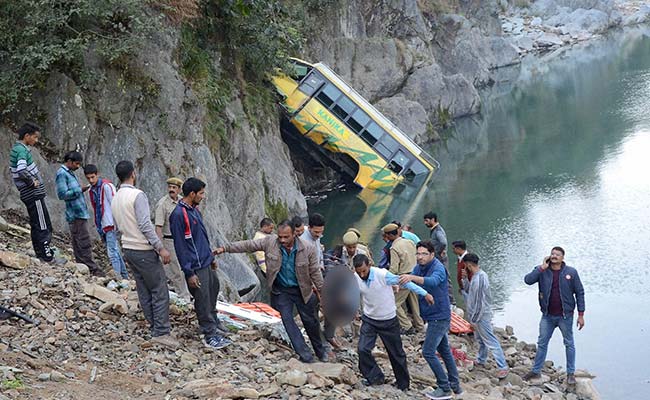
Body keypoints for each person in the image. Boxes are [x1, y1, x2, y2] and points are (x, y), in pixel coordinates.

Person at [215, 220, 327, 363]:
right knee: (287, 320)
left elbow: (315, 273)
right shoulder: (270, 242)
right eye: (280, 237)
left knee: (310, 321)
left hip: (302, 290)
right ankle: (305, 354)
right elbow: (248, 245)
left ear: (294, 234)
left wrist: (323, 293)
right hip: (281, 290)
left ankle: (320, 350)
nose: (282, 240)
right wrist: (225, 248)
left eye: (286, 237)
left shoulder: (308, 248)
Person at [111, 160, 178, 349]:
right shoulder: (137, 195)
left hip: (128, 247)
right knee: (159, 289)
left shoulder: (116, 197)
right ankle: (161, 332)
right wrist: (160, 247)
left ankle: (153, 325)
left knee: (143, 288)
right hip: (142, 248)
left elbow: (116, 225)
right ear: (133, 173)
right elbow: (145, 224)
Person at [353, 254, 434, 391]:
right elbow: (353, 293)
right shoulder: (356, 277)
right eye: (359, 272)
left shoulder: (382, 275)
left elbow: (405, 282)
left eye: (364, 271)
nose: (362, 274)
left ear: (369, 266)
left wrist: (424, 293)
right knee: (362, 349)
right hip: (370, 319)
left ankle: (403, 384)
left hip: (388, 320)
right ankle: (375, 378)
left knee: (396, 353)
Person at [169, 178, 231, 350]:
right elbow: (180, 246)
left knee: (213, 289)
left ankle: (214, 321)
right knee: (202, 298)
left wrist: (210, 258)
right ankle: (209, 333)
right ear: (192, 194)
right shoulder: (179, 215)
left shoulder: (194, 211)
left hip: (205, 261)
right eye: (201, 193)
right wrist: (189, 272)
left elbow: (202, 238)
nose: (203, 197)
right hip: (195, 265)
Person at [399, 240, 462, 399]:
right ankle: (455, 384)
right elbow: (412, 282)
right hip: (430, 314)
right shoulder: (419, 267)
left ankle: (444, 387)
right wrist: (398, 284)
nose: (420, 257)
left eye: (424, 254)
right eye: (418, 254)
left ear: (432, 255)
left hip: (439, 316)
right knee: (444, 350)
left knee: (428, 352)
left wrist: (411, 277)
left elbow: (433, 281)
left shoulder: (438, 268)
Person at [523, 247, 585, 385]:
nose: (554, 256)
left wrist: (581, 315)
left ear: (563, 258)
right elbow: (527, 280)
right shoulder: (542, 271)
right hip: (547, 316)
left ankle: (570, 373)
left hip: (565, 316)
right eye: (552, 254)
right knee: (542, 343)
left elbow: (580, 292)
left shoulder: (571, 272)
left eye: (557, 254)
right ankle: (536, 371)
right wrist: (541, 268)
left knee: (569, 344)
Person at [9, 123, 54, 262]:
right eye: (35, 137)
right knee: (43, 224)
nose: (36, 140)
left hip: (29, 194)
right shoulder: (21, 151)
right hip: (33, 194)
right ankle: (46, 255)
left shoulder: (17, 149)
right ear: (27, 136)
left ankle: (40, 252)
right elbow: (21, 169)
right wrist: (31, 182)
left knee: (36, 223)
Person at [461, 253, 509, 378]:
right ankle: (481, 359)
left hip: (481, 315)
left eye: (466, 265)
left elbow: (479, 303)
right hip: (476, 314)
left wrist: (474, 320)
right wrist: (465, 279)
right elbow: (468, 291)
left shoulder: (480, 279)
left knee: (490, 340)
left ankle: (502, 366)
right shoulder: (475, 277)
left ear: (469, 265)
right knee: (481, 340)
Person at [55, 151, 103, 276]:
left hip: (79, 212)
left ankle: (83, 267)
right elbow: (62, 194)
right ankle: (92, 268)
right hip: (75, 213)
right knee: (83, 241)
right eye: (76, 163)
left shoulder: (70, 173)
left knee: (79, 241)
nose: (78, 166)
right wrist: (79, 190)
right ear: (69, 161)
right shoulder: (62, 174)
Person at [83, 164, 128, 279]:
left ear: (98, 174)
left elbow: (115, 203)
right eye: (88, 178)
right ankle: (124, 276)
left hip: (110, 223)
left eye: (93, 177)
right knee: (115, 251)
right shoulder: (92, 190)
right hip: (102, 224)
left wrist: (118, 222)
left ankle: (117, 277)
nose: (91, 180)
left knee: (112, 252)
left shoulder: (107, 186)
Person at [154, 177, 192, 303]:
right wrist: (161, 247)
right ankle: (184, 296)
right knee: (176, 270)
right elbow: (158, 226)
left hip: (182, 239)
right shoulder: (163, 204)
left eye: (174, 187)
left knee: (185, 267)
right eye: (169, 187)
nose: (171, 190)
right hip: (169, 240)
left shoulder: (182, 202)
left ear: (179, 189)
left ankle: (188, 292)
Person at [383, 223, 424, 335]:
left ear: (390, 236)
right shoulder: (410, 242)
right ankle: (420, 326)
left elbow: (394, 269)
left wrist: (387, 280)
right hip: (414, 275)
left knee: (394, 303)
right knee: (414, 303)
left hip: (403, 278)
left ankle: (407, 326)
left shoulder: (394, 248)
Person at [423, 212, 454, 305]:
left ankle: (452, 302)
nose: (425, 223)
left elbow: (443, 242)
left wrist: (438, 252)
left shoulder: (438, 231)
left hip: (441, 259)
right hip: (438, 258)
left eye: (427, 221)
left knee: (445, 278)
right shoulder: (434, 230)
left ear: (433, 220)